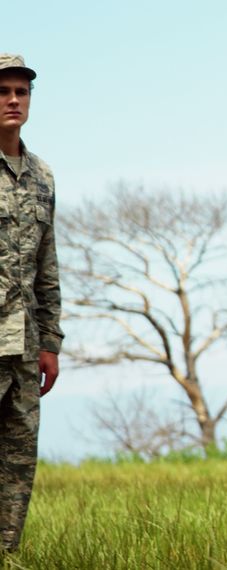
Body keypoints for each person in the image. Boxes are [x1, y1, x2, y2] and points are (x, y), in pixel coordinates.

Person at [0, 53, 63, 554]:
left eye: (21, 92)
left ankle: (7, 554)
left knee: (19, 462)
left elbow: (47, 266)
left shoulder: (42, 174)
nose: (12, 100)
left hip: (24, 345)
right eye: (3, 92)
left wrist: (51, 341)